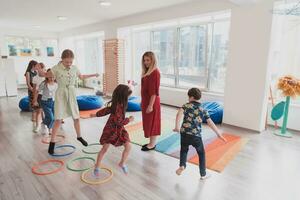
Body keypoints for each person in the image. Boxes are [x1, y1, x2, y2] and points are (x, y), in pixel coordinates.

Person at [38, 49, 99, 154]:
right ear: (62, 60)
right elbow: (44, 75)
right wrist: (39, 71)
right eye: (67, 62)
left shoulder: (74, 68)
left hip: (71, 94)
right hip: (61, 94)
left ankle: (79, 136)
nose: (69, 64)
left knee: (76, 117)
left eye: (71, 62)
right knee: (58, 119)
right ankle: (52, 143)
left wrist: (94, 74)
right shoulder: (56, 68)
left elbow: (81, 77)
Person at [173, 88, 227, 179]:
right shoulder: (203, 109)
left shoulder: (186, 105)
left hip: (184, 133)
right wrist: (218, 134)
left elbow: (178, 114)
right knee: (201, 154)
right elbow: (210, 122)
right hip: (196, 136)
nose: (188, 99)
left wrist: (177, 127)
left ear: (192, 97)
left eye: (188, 97)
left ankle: (182, 165)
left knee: (184, 150)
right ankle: (203, 174)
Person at [91, 84, 134, 175]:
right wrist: (129, 120)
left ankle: (122, 163)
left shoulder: (120, 103)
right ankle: (97, 167)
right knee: (104, 149)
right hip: (111, 131)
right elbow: (119, 121)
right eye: (128, 96)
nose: (129, 98)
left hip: (120, 130)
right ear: (123, 96)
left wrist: (96, 114)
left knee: (128, 146)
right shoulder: (118, 106)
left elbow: (106, 110)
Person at [140, 51, 161, 151]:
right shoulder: (146, 72)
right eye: (144, 60)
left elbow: (154, 92)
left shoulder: (155, 72)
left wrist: (150, 105)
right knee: (148, 122)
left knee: (153, 122)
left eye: (148, 60)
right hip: (146, 101)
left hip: (151, 102)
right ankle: (151, 142)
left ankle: (152, 144)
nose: (146, 62)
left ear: (153, 60)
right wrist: (142, 102)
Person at [39, 69, 57, 135]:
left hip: (54, 102)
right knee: (51, 117)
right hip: (45, 102)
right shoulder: (44, 84)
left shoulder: (57, 83)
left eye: (53, 77)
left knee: (54, 117)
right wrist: (35, 100)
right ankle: (50, 129)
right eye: (50, 77)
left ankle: (44, 122)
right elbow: (37, 91)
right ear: (47, 76)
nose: (52, 78)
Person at [32, 63, 46, 133]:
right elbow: (34, 89)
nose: (36, 68)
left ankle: (48, 125)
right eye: (36, 67)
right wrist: (34, 100)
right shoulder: (35, 78)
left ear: (42, 68)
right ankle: (37, 126)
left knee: (46, 111)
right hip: (39, 96)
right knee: (38, 111)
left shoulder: (47, 76)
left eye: (38, 67)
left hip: (47, 96)